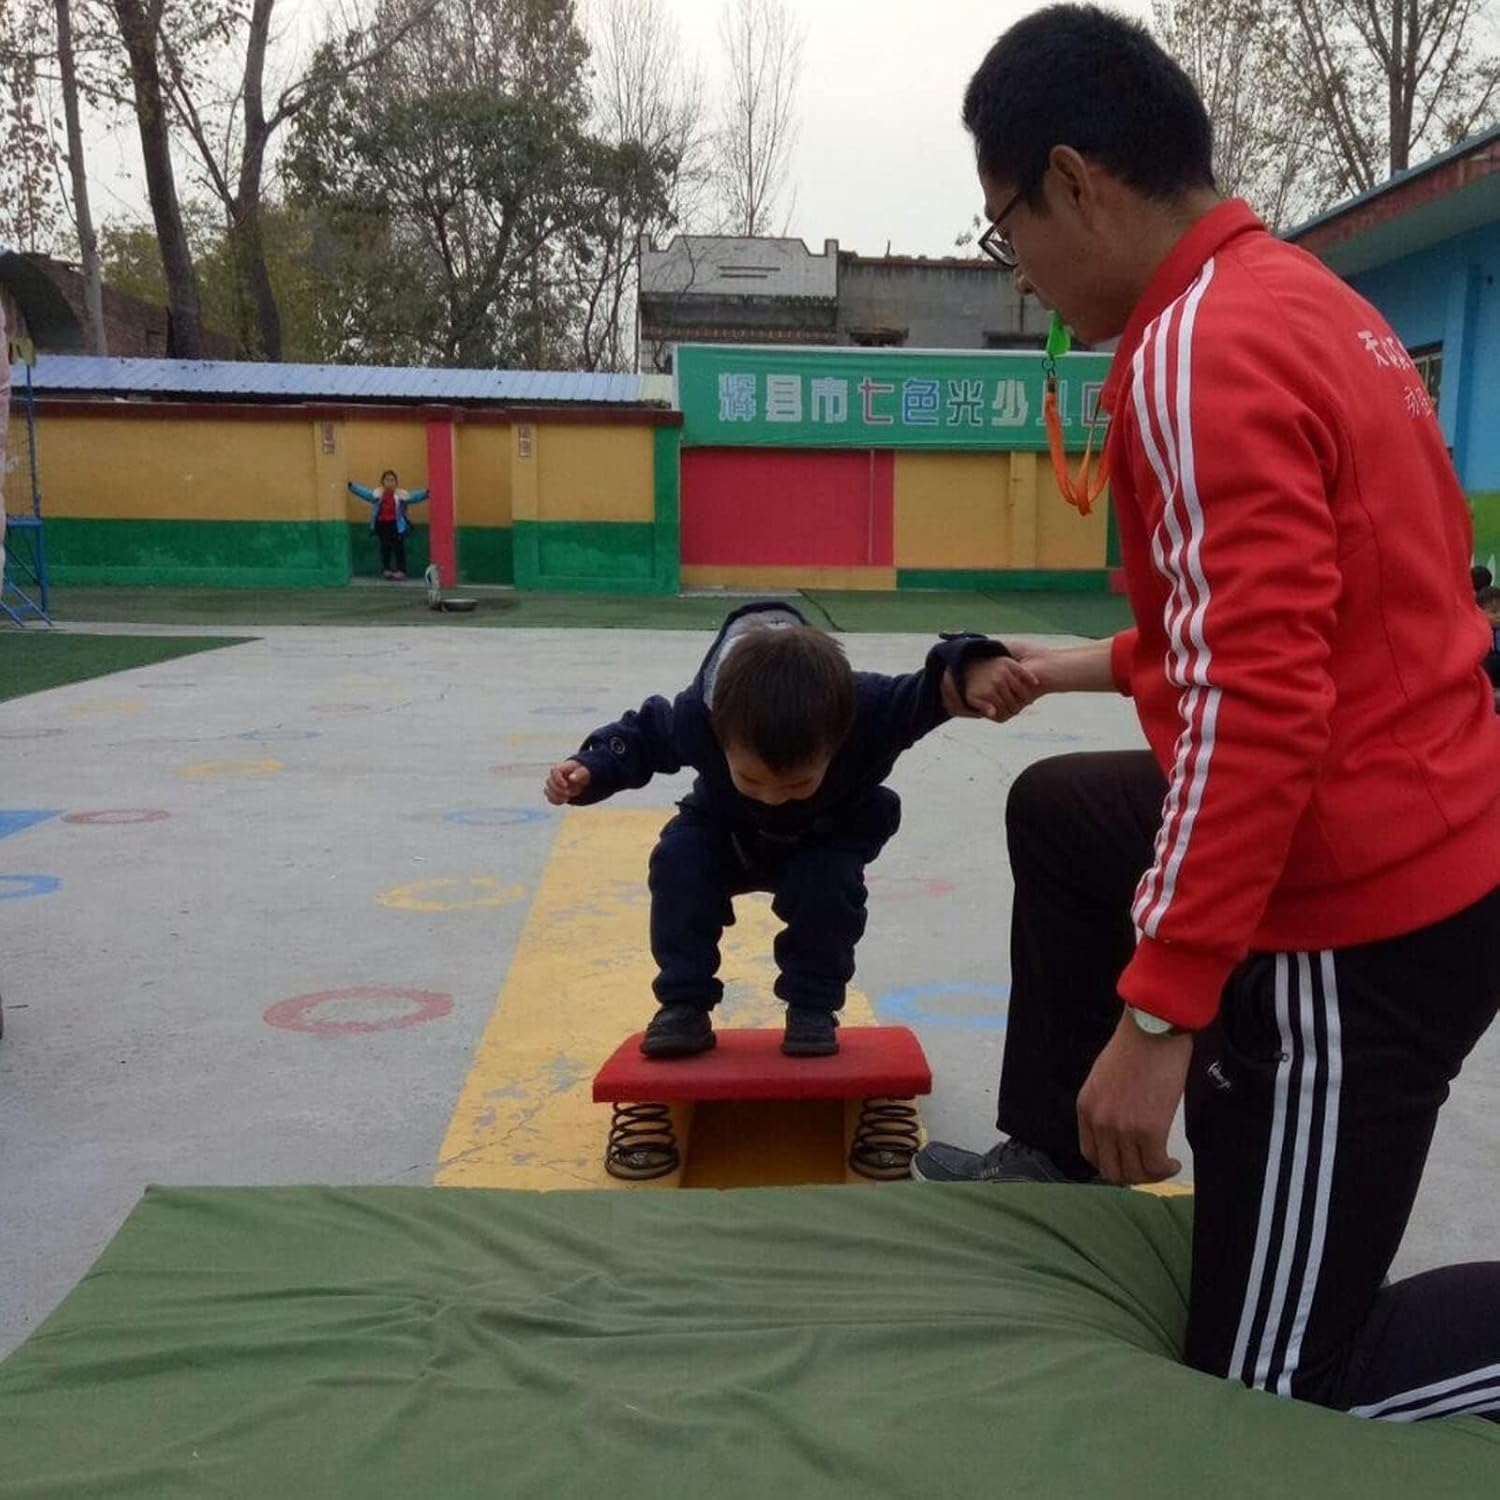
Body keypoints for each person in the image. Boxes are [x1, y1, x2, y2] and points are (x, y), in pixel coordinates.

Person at [912, 4, 1500, 1425]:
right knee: (1065, 813)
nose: (1026, 274)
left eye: (1006, 231)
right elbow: (1325, 617)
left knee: (1264, 1400)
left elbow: (1261, 705)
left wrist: (1162, 1011)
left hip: (1358, 923)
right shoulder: (1310, 304)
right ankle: (1055, 1156)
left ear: (1073, 181)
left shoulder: (1187, 355)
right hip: (1423, 809)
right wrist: (1084, 665)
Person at [543, 601, 1034, 1059]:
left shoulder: (868, 709)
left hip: (827, 833)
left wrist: (974, 663)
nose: (773, 794)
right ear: (721, 734)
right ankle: (684, 1006)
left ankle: (812, 1009)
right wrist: (590, 767)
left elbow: (934, 689)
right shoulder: (701, 715)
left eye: (797, 783)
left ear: (839, 734)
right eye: (751, 778)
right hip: (727, 830)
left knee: (829, 887)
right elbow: (642, 737)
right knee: (678, 861)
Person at [348, 469, 428, 580]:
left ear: (396, 483)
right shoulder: (377, 495)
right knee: (385, 548)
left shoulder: (401, 496)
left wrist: (426, 493)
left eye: (392, 480)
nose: (390, 483)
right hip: (382, 525)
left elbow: (414, 497)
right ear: (382, 483)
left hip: (396, 525)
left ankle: (401, 571)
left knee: (399, 548)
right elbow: (365, 493)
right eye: (387, 480)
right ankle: (386, 569)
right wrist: (352, 487)